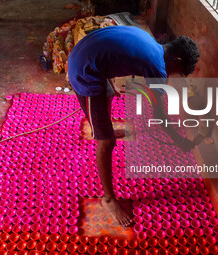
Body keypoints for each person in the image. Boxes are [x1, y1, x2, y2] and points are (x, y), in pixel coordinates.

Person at [68, 25, 200, 226]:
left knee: (110, 94)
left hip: (88, 56)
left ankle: (106, 126)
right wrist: (179, 140)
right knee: (106, 141)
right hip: (84, 70)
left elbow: (111, 48)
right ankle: (109, 199)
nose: (173, 76)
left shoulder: (151, 43)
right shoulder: (157, 68)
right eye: (178, 72)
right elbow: (159, 116)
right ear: (177, 61)